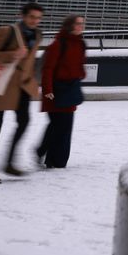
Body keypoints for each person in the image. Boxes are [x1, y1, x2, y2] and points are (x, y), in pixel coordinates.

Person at [0, 2, 44, 184]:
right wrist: (12, 55)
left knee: (24, 121)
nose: (35, 21)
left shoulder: (37, 35)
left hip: (22, 86)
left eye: (38, 18)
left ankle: (8, 162)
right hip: (2, 85)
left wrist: (33, 82)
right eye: (32, 17)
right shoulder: (6, 32)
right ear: (23, 16)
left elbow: (29, 61)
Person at [36, 14, 86, 168]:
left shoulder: (81, 44)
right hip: (56, 89)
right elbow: (48, 69)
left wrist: (79, 73)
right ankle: (48, 156)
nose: (81, 26)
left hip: (70, 89)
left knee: (65, 126)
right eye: (78, 23)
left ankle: (58, 160)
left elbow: (78, 64)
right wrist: (48, 90)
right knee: (58, 125)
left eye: (82, 24)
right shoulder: (58, 44)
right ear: (69, 25)